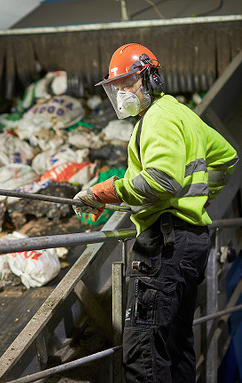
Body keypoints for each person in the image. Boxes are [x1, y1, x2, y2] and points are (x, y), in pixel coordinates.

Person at [72, 43, 239, 382]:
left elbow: (161, 181)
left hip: (165, 245)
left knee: (144, 353)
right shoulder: (183, 114)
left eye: (127, 83)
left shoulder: (157, 119)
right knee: (175, 347)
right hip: (188, 242)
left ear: (151, 78)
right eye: (115, 88)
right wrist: (199, 197)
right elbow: (227, 157)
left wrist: (106, 191)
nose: (121, 94)